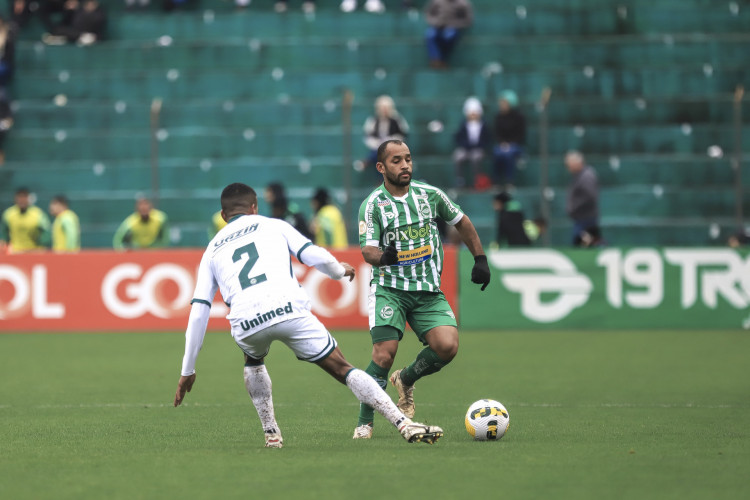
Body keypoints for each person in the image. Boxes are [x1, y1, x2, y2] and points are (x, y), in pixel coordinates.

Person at [173, 183, 443, 447]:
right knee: (342, 367)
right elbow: (311, 255)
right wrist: (339, 271)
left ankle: (272, 434)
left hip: (246, 320)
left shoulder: (211, 250)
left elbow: (199, 311)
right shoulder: (274, 224)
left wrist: (188, 370)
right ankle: (403, 423)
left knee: (253, 357)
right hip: (288, 309)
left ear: (223, 215)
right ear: (254, 207)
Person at [353, 139, 491, 439]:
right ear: (381, 167)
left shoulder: (429, 195)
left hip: (427, 290)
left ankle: (406, 379)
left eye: (408, 159)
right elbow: (367, 252)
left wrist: (480, 257)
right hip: (390, 289)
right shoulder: (373, 205)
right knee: (383, 354)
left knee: (447, 346)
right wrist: (384, 257)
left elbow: (462, 222)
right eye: (396, 161)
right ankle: (365, 422)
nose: (405, 165)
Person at [362, 95, 409, 178]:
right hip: (378, 147)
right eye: (382, 108)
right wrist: (376, 143)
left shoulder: (397, 119)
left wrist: (391, 141)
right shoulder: (373, 120)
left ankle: (367, 162)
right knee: (379, 157)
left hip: (394, 147)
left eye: (386, 108)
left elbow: (403, 134)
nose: (384, 110)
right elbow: (368, 136)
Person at [453, 96, 492, 189]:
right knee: (458, 156)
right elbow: (459, 138)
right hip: (466, 149)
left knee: (475, 158)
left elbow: (487, 139)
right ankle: (460, 180)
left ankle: (477, 181)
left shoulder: (484, 125)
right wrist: (466, 146)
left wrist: (479, 146)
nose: (473, 114)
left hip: (478, 149)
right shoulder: (463, 124)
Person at [565, 150, 601, 247]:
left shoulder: (586, 176)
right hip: (581, 219)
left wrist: (574, 207)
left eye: (569, 164)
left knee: (584, 246)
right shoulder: (579, 176)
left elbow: (590, 196)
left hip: (586, 220)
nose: (568, 167)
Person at [424, 0, 474, 69]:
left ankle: (441, 60)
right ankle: (436, 59)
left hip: (453, 28)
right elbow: (428, 14)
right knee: (430, 34)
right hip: (437, 27)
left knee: (449, 36)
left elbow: (468, 20)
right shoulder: (436, 2)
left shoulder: (463, 3)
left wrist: (454, 24)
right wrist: (436, 22)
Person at [492, 90, 526, 188]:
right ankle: (496, 181)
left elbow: (521, 135)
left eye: (505, 103)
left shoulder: (519, 117)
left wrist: (510, 144)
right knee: (497, 153)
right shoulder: (498, 117)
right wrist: (502, 143)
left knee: (509, 154)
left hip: (516, 145)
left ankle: (509, 181)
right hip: (502, 145)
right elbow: (497, 134)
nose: (502, 105)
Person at [0, 187, 51, 253]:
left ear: (28, 199)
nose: (22, 200)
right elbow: (4, 234)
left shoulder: (38, 214)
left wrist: (40, 242)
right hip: (15, 251)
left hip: (34, 251)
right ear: (15, 199)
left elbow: (47, 232)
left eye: (24, 197)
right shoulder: (8, 214)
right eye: (20, 198)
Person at [42, 0, 107, 46]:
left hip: (92, 34)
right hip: (77, 32)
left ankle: (67, 38)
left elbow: (98, 25)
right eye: (88, 3)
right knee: (59, 30)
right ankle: (63, 38)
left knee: (89, 36)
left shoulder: (99, 14)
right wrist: (70, 10)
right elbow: (67, 22)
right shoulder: (79, 10)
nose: (90, 5)